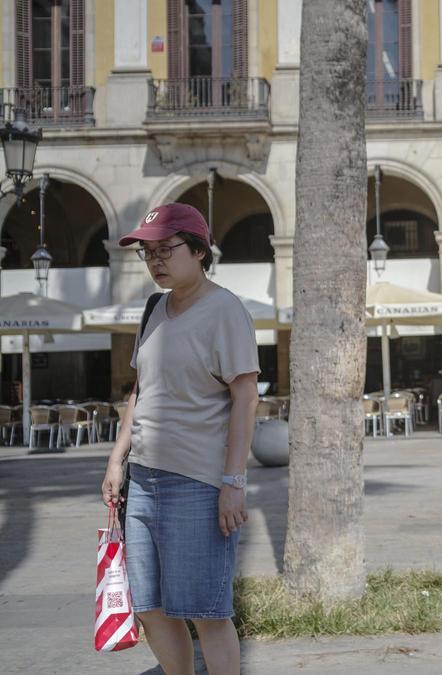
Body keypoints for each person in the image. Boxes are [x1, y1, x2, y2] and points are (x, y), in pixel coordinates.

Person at [101, 203, 259, 675]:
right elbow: (141, 392)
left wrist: (233, 480)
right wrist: (116, 458)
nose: (155, 261)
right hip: (144, 481)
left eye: (165, 250)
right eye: (147, 253)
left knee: (206, 612)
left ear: (198, 250)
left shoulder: (224, 310)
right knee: (148, 607)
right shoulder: (154, 308)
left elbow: (246, 397)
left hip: (197, 484)